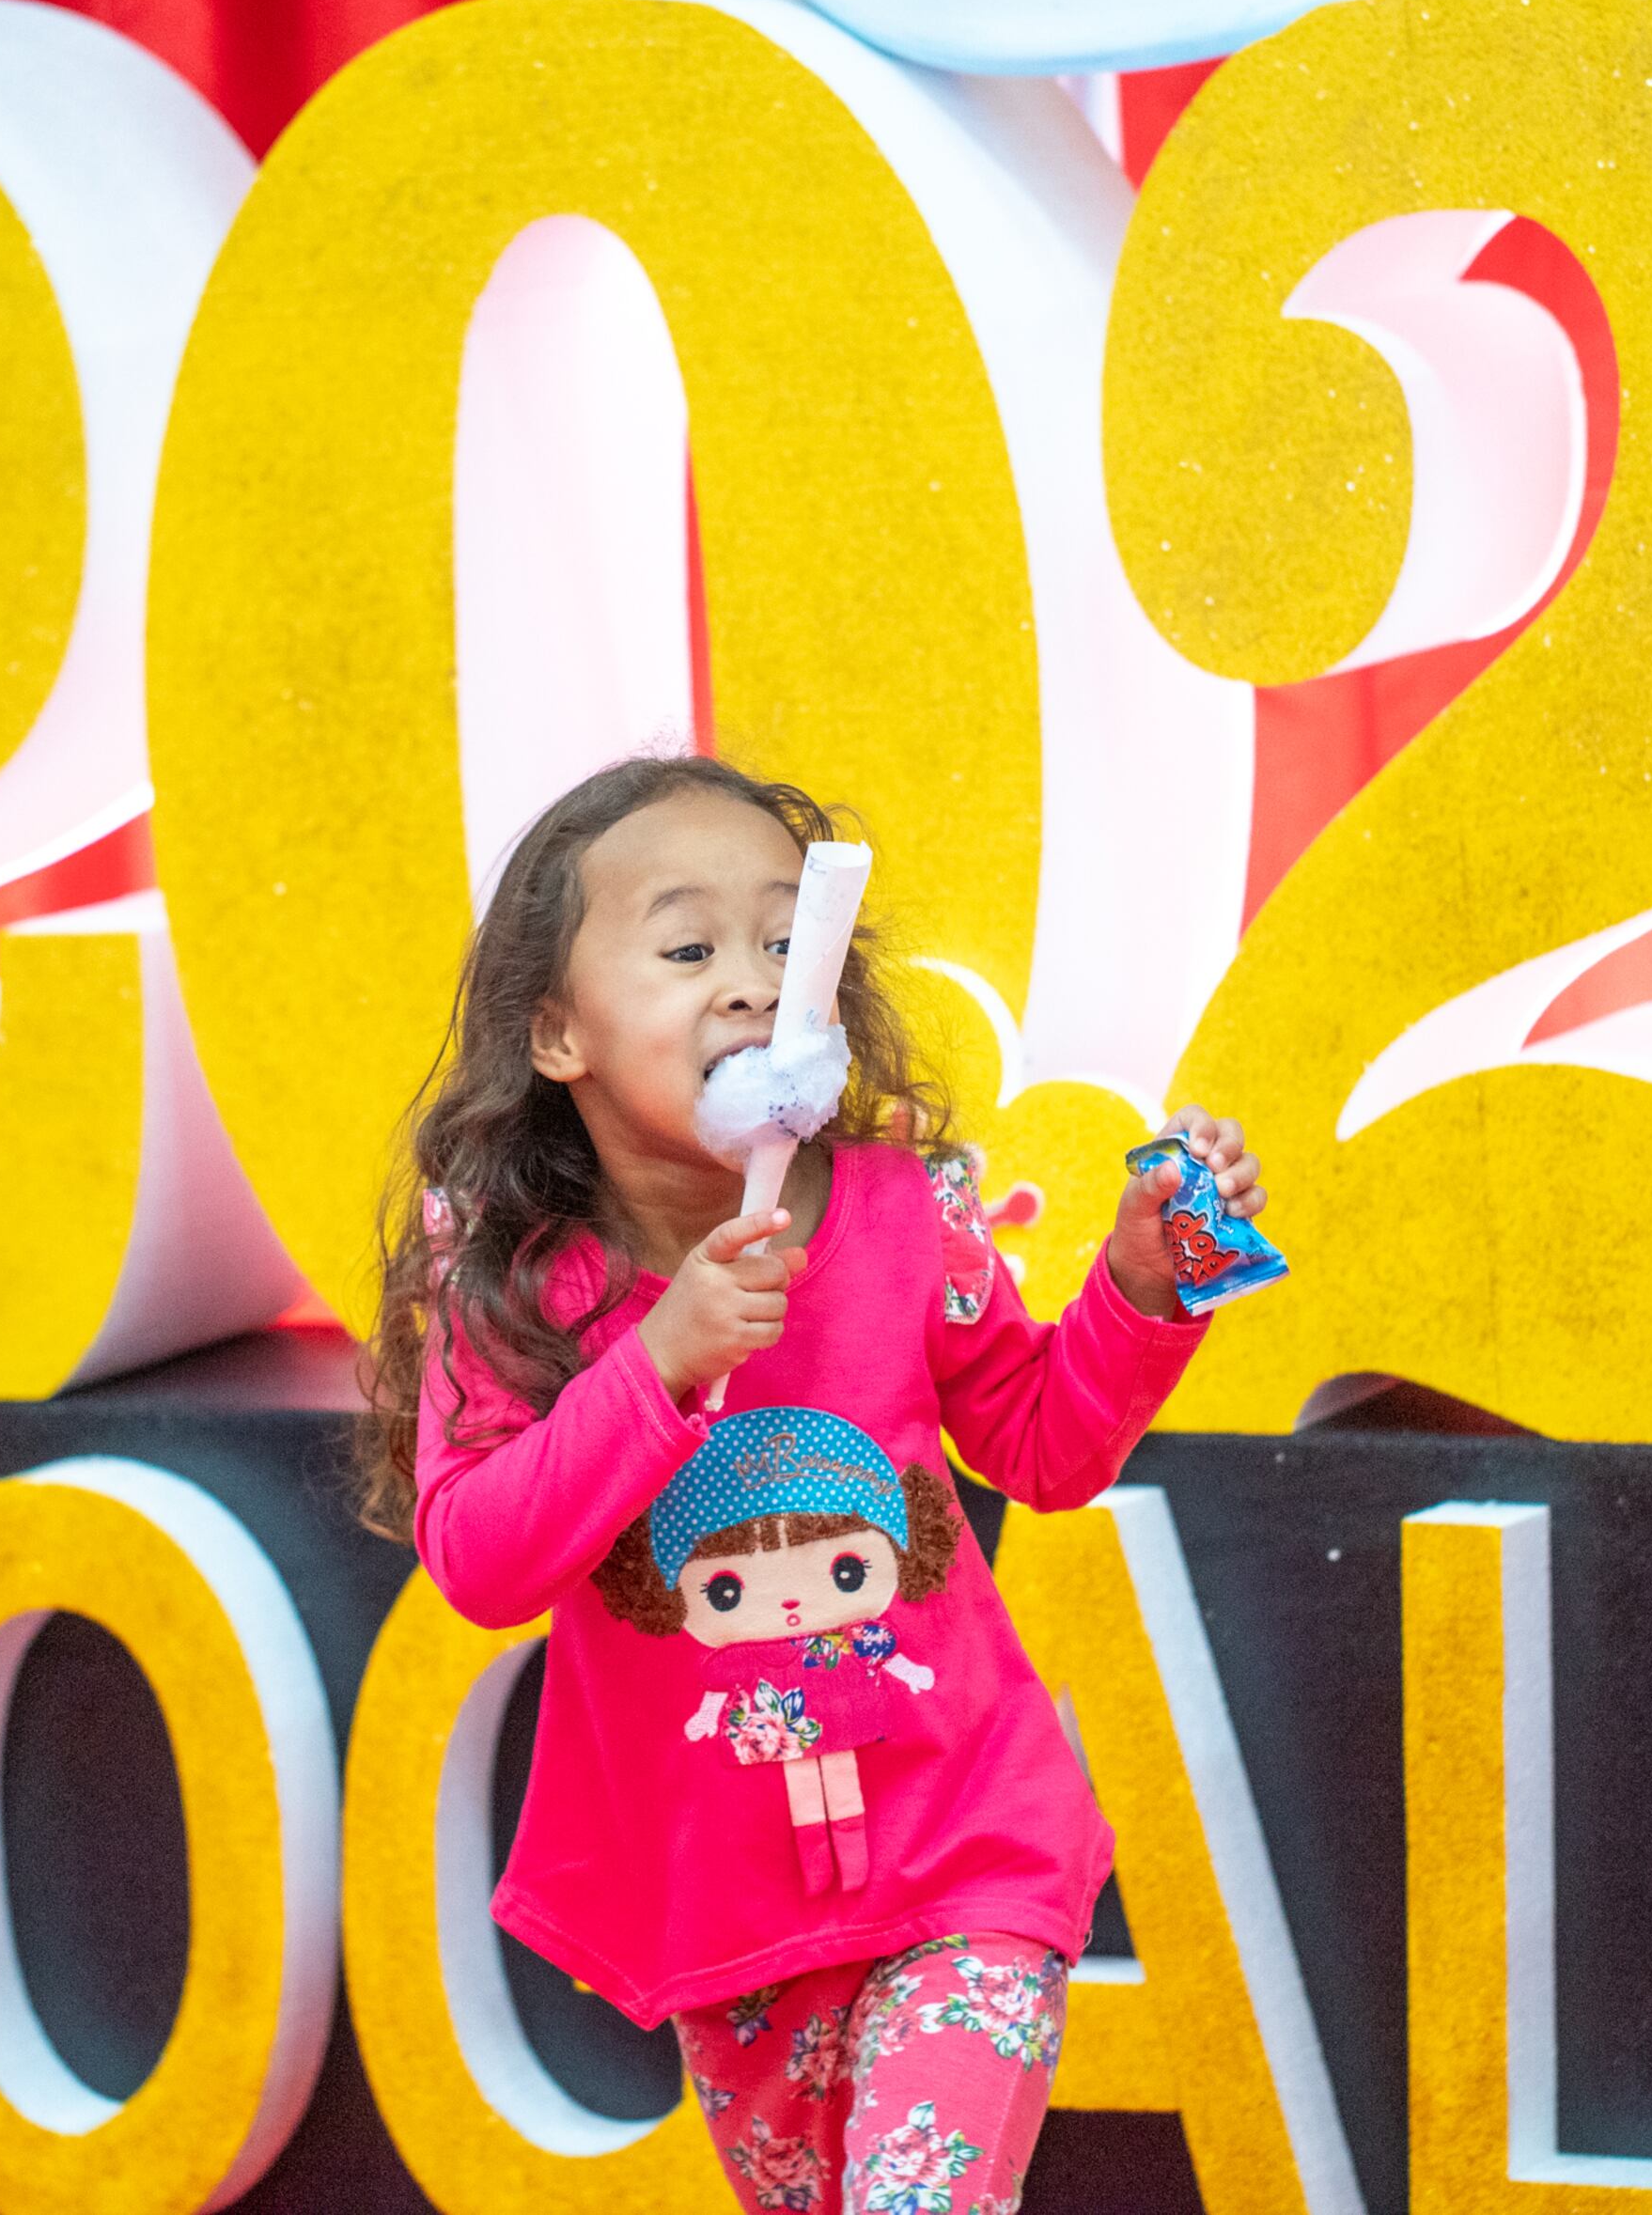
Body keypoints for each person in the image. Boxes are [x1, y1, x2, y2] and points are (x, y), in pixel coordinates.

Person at [358, 753, 1270, 2214]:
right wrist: (654, 1362)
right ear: (555, 1033)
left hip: (972, 1853)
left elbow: (1045, 1443)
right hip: (729, 1924)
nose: (748, 980)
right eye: (688, 946)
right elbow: (478, 1559)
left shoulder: (907, 1214)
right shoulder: (519, 1290)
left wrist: (1146, 1287)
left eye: (789, 943)